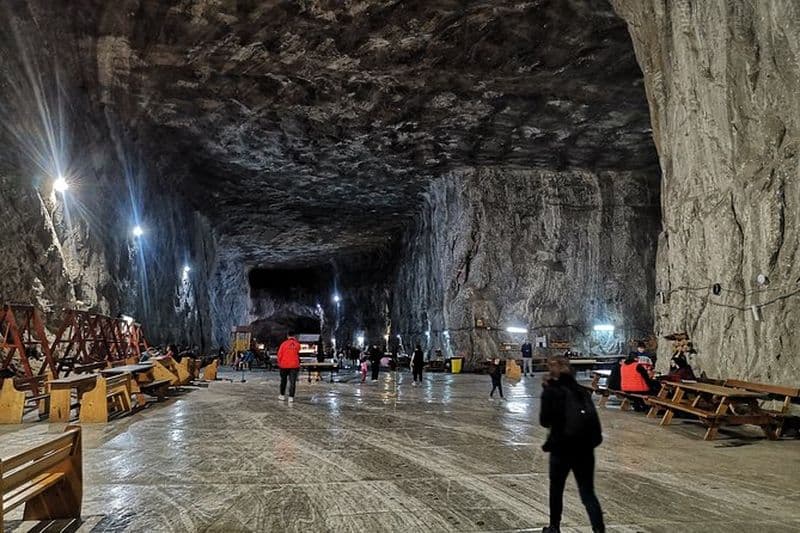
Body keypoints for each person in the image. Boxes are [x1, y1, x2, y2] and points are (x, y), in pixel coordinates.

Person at [540, 356, 605, 533]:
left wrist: (547, 391)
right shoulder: (581, 391)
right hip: (585, 448)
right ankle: (599, 530)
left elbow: (544, 421)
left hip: (561, 447)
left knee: (557, 489)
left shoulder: (552, 391)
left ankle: (554, 527)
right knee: (587, 493)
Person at [277, 332, 301, 402]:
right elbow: (298, 350)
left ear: (287, 336)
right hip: (294, 365)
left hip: (284, 365)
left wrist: (279, 363)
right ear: (294, 336)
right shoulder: (297, 344)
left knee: (283, 381)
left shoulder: (283, 344)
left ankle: (282, 395)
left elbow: (279, 354)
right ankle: (291, 397)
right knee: (292, 382)